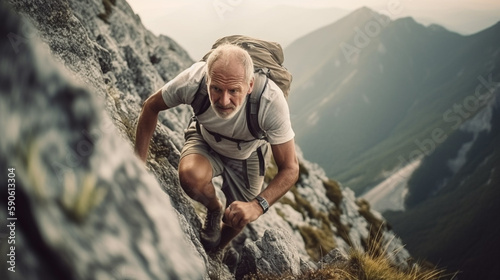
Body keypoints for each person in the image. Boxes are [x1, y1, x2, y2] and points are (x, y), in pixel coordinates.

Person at [134, 43, 299, 252]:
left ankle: (217, 250)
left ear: (250, 85)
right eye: (216, 89)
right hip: (206, 139)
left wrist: (257, 206)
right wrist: (137, 165)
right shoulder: (194, 80)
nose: (224, 100)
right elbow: (151, 107)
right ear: (207, 79)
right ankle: (213, 209)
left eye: (234, 91)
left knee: (239, 217)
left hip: (248, 153)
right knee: (190, 177)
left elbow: (290, 168)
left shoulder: (270, 101)